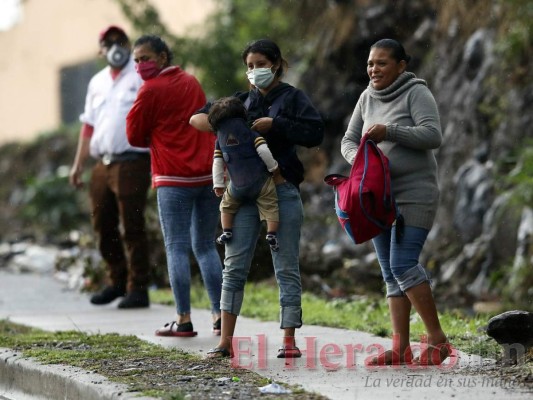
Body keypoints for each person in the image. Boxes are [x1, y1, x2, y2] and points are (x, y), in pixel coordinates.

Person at [190, 38, 324, 358]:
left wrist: (276, 125)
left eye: (261, 65)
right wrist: (227, 125)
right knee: (234, 266)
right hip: (243, 193)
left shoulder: (292, 98)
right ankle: (225, 342)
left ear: (277, 64)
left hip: (281, 188)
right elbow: (197, 119)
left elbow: (315, 133)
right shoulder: (238, 103)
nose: (255, 71)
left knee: (286, 264)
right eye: (250, 66)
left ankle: (289, 340)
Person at [341, 38, 451, 366]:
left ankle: (437, 340)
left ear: (401, 65)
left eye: (382, 63)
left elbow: (433, 135)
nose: (374, 69)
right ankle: (400, 347)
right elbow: (349, 140)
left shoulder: (416, 92)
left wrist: (389, 131)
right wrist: (360, 160)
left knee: (403, 263)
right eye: (371, 64)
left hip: (414, 195)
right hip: (377, 200)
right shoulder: (366, 97)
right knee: (390, 273)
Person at [126, 35, 223, 337]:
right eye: (137, 60)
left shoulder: (149, 90)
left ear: (163, 58)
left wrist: (156, 136)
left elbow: (133, 135)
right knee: (206, 247)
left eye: (146, 58)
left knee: (176, 247)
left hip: (172, 178)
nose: (141, 65)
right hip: (206, 175)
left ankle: (183, 319)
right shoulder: (191, 82)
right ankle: (220, 316)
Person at [69, 25, 152, 309]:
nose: (115, 46)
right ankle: (116, 281)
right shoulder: (97, 82)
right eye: (108, 42)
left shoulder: (140, 75)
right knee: (102, 224)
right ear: (101, 49)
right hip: (102, 163)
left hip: (133, 160)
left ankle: (138, 287)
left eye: (120, 40)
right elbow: (88, 125)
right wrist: (78, 164)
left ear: (128, 44)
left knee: (132, 225)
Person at [208, 96, 280, 252]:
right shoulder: (251, 134)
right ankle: (271, 233)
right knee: (271, 207)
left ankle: (227, 231)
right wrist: (274, 168)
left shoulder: (219, 141)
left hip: (236, 187)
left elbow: (217, 164)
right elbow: (264, 151)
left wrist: (218, 184)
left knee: (226, 207)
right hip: (261, 183)